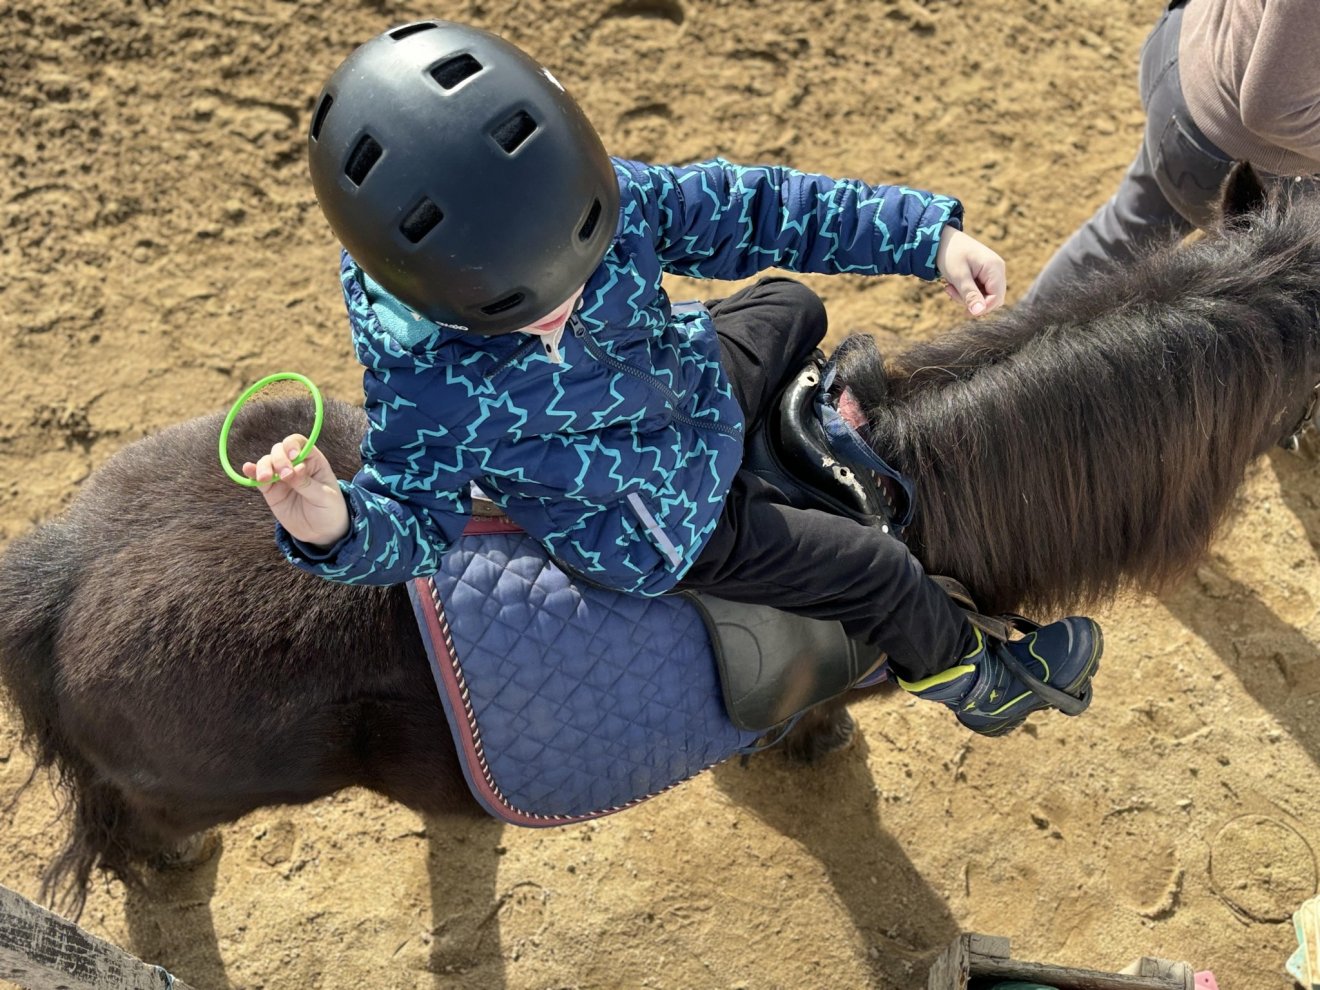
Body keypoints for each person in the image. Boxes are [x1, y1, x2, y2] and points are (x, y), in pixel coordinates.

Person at [245, 20, 1102, 736]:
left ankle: (772, 444)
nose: (566, 306)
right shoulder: (429, 387)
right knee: (872, 570)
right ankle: (975, 681)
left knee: (793, 301)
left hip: (692, 388)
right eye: (522, 310)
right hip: (658, 521)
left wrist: (926, 239)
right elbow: (417, 521)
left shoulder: (606, 197)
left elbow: (759, 208)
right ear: (425, 284)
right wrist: (336, 525)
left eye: (584, 262)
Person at [1025, 0, 1320, 308]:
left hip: (1188, 56)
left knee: (1121, 231)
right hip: (1224, 149)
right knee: (1255, 296)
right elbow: (1273, 108)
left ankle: (1010, 349)